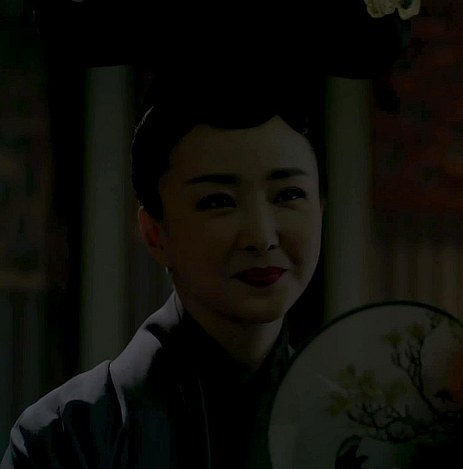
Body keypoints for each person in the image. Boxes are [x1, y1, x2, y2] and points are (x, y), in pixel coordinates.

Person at [1, 1, 420, 466]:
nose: (261, 237)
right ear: (155, 232)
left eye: (288, 195)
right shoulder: (68, 439)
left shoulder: (360, 442)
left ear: (321, 206)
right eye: (218, 201)